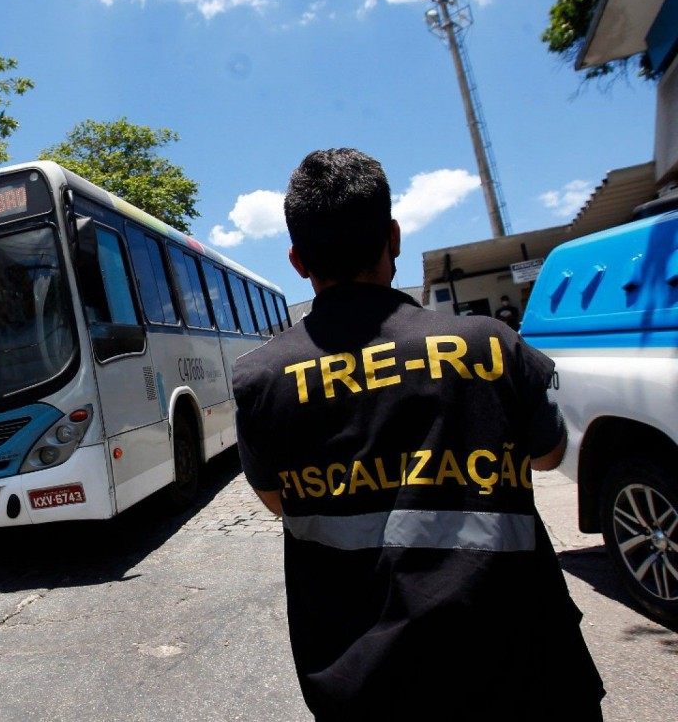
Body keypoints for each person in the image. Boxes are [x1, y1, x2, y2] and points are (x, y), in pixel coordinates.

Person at [231, 148, 604, 721]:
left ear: (298, 261)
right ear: (394, 238)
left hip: (365, 682)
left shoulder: (260, 379)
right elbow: (549, 454)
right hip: (525, 668)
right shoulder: (488, 344)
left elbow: (277, 500)